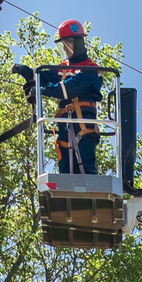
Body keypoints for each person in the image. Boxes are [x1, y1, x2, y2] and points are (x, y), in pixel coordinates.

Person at [31, 20, 105, 174]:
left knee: (86, 163)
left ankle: (91, 190)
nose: (64, 48)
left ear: (76, 42)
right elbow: (44, 76)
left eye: (66, 44)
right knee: (65, 164)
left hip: (84, 122)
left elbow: (70, 88)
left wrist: (43, 90)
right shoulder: (63, 68)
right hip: (65, 123)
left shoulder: (91, 69)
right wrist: (26, 72)